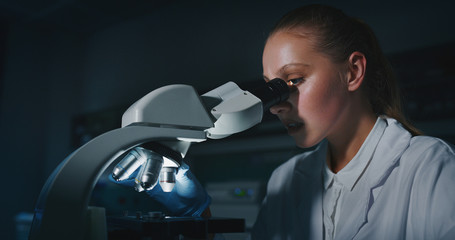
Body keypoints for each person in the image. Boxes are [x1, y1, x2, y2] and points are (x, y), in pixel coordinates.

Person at [114, 4, 455, 240]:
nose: (276, 105)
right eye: (271, 88)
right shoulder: (285, 181)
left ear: (352, 72)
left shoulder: (428, 166)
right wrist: (199, 217)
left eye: (292, 80)